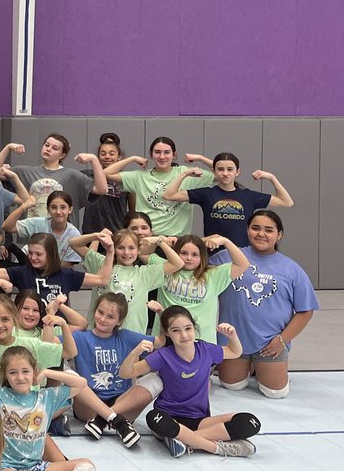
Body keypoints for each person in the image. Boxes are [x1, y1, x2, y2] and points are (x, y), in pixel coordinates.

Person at [120, 306, 262, 458]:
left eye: (188, 328)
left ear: (194, 328)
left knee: (250, 422)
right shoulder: (163, 356)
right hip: (168, 418)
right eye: (176, 330)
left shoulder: (206, 350)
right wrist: (135, 352)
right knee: (152, 417)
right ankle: (216, 448)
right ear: (167, 333)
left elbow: (235, 352)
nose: (184, 335)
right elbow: (126, 373)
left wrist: (232, 335)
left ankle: (184, 440)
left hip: (200, 420)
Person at [217, 210, 318, 398]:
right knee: (233, 386)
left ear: (279, 234)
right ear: (247, 230)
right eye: (255, 228)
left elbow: (306, 310)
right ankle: (249, 366)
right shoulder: (226, 257)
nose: (261, 234)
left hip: (269, 343)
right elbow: (195, 270)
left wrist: (281, 340)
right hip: (232, 341)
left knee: (275, 393)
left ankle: (259, 365)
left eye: (269, 230)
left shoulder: (292, 269)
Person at [62, 293, 149, 445]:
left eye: (110, 317)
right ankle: (117, 422)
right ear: (94, 311)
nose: (102, 319)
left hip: (120, 401)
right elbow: (49, 345)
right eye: (100, 312)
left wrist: (161, 313)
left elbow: (162, 342)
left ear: (119, 321)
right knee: (73, 378)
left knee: (153, 382)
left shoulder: (126, 337)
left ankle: (102, 420)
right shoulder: (80, 337)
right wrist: (56, 311)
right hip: (89, 405)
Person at [162, 153, 294, 250]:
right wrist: (184, 174)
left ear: (238, 172)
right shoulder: (206, 193)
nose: (225, 173)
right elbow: (169, 195)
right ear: (214, 171)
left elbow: (286, 202)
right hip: (213, 254)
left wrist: (272, 178)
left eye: (230, 169)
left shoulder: (249, 196)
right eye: (220, 169)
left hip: (242, 254)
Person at [73, 228, 185, 334]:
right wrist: (96, 236)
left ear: (138, 250)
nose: (126, 253)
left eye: (131, 248)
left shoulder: (144, 274)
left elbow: (178, 263)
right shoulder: (102, 263)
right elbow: (74, 244)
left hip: (132, 335)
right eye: (121, 248)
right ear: (114, 248)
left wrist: (159, 242)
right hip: (98, 332)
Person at [103, 137, 214, 237]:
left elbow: (222, 174)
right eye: (157, 152)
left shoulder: (187, 173)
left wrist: (200, 158)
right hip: (147, 238)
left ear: (174, 155)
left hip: (176, 239)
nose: (162, 156)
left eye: (166, 152)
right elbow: (106, 173)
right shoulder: (139, 176)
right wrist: (132, 159)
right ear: (151, 154)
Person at [0, 134, 108, 221]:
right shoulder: (25, 172)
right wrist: (8, 147)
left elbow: (102, 189)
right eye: (46, 145)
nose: (48, 149)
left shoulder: (72, 175)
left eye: (55, 148)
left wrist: (94, 160)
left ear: (63, 155)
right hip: (34, 235)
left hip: (63, 239)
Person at [0, 232, 107, 307]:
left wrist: (110, 250)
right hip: (29, 332)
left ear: (50, 254)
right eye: (30, 253)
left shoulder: (66, 274)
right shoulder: (22, 272)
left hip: (57, 333)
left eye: (38, 254)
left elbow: (102, 280)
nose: (33, 257)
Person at [158, 234, 250, 338]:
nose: (189, 258)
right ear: (175, 253)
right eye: (183, 253)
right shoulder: (165, 268)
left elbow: (243, 264)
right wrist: (159, 240)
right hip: (165, 338)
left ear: (202, 257)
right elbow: (143, 253)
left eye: (195, 254)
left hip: (201, 341)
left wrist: (225, 241)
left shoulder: (213, 275)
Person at [7, 190, 83, 265]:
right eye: (54, 207)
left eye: (63, 207)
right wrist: (23, 207)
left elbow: (67, 267)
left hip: (55, 274)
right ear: (48, 209)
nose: (58, 212)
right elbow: (7, 227)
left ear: (70, 209)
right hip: (27, 268)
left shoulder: (74, 234)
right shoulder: (38, 223)